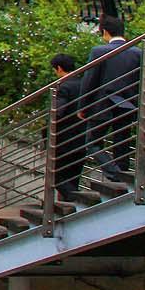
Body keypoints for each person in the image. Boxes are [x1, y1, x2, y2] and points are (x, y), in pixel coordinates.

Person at [80, 15, 144, 182]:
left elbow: (90, 81)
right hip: (128, 104)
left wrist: (83, 107)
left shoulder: (99, 51)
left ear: (105, 32)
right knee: (122, 142)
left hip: (102, 104)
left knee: (92, 142)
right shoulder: (138, 53)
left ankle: (114, 174)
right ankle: (123, 174)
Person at [51, 53, 89, 201]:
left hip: (64, 138)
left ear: (59, 68)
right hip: (83, 136)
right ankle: (73, 204)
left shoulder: (64, 87)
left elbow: (57, 113)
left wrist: (46, 133)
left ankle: (77, 199)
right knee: (73, 177)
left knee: (55, 175)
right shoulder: (84, 84)